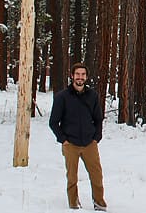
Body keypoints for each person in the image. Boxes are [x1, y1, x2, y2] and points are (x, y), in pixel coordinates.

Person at [49, 63, 107, 211]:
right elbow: (53, 122)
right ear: (72, 76)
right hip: (70, 144)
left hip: (89, 143)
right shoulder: (62, 97)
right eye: (77, 74)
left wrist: (96, 137)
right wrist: (63, 140)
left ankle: (99, 204)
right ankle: (74, 204)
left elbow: (98, 119)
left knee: (97, 175)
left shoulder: (92, 96)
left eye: (83, 74)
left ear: (86, 77)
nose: (80, 77)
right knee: (72, 177)